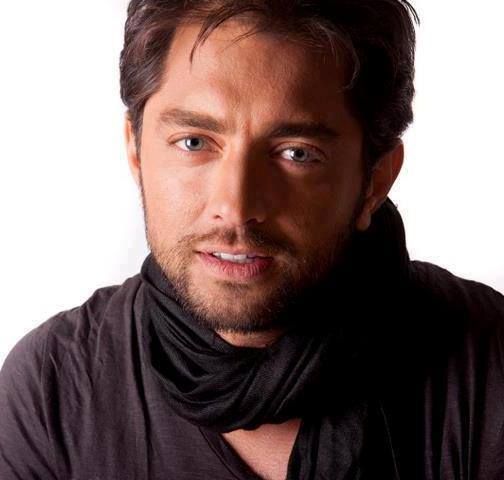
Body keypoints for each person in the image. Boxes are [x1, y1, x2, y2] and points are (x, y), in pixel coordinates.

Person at [1, 0, 503, 479]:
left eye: (296, 153)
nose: (236, 207)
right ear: (136, 153)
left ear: (375, 180)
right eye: (194, 142)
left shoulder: (491, 370)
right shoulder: (54, 387)